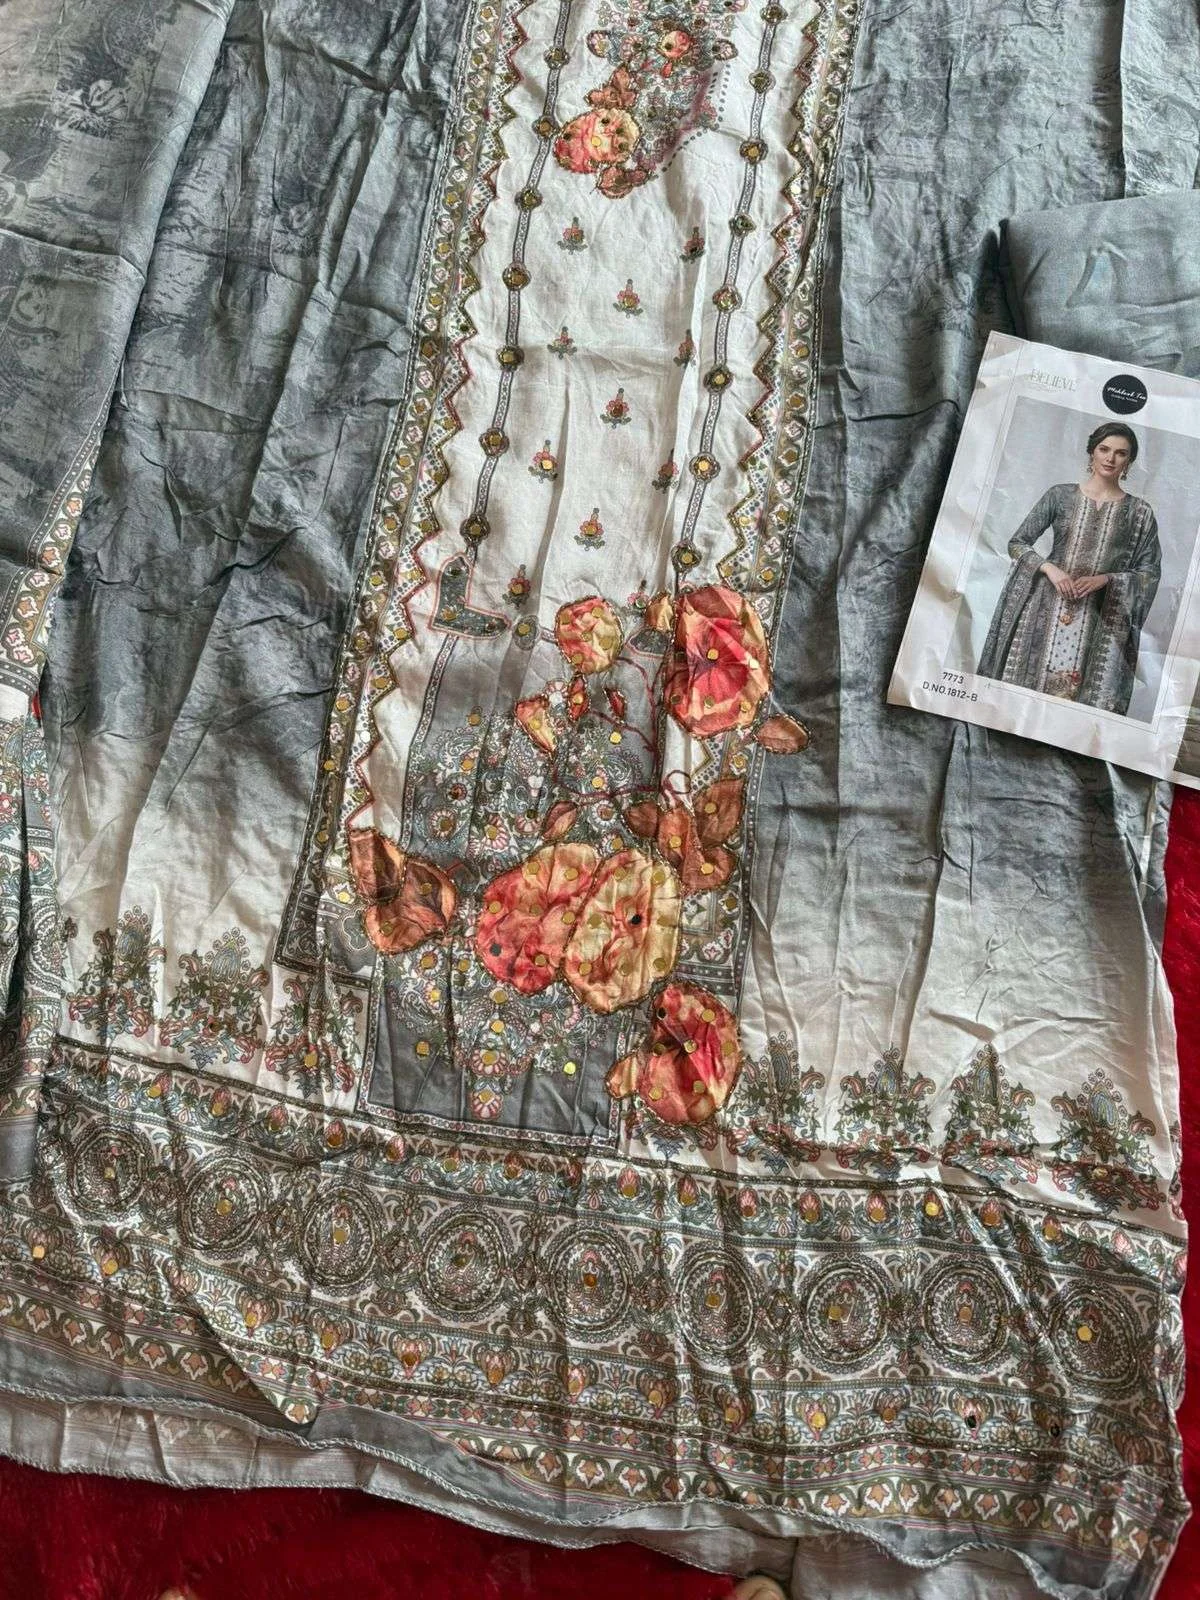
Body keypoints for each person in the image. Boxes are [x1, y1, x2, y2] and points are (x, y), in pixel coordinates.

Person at [976, 422, 1161, 713]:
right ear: (1092, 452)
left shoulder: (1140, 512)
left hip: (1099, 621)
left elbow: (1149, 572)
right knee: (1022, 702)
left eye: (1121, 453)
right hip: (1043, 611)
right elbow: (1018, 543)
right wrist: (1050, 569)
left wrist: (1107, 578)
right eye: (1104, 449)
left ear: (1129, 460)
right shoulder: (1060, 495)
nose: (1110, 458)